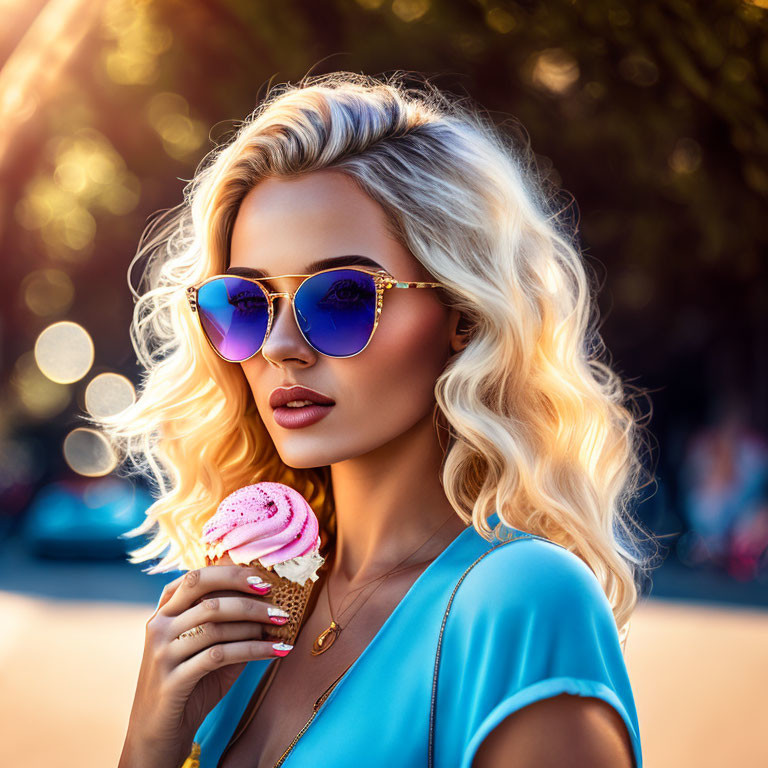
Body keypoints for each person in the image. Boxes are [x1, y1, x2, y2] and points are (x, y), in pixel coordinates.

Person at [108, 71, 652, 768]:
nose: (279, 346)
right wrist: (149, 744)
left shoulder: (522, 603)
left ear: (463, 314)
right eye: (246, 303)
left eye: (339, 297)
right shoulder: (257, 611)